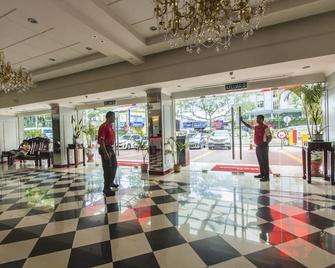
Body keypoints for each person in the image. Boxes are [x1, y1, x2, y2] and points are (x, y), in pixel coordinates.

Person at [241, 115, 272, 182]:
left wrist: (266, 143)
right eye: (257, 119)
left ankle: (267, 177)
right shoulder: (256, 127)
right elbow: (249, 126)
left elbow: (270, 136)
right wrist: (242, 121)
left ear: (262, 119)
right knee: (260, 161)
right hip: (258, 146)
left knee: (265, 162)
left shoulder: (265, 127)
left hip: (263, 147)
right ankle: (262, 174)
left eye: (258, 119)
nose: (257, 120)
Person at [98, 111, 119, 195]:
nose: (114, 118)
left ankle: (110, 182)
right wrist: (105, 153)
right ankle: (106, 188)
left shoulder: (110, 126)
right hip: (105, 149)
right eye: (113, 116)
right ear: (109, 117)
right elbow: (101, 140)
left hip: (110, 148)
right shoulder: (103, 126)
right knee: (107, 169)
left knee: (114, 166)